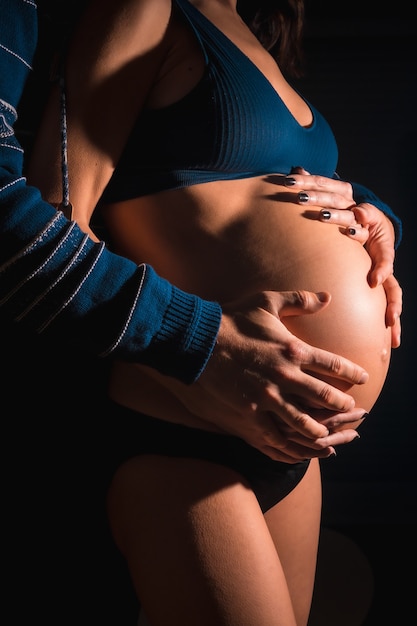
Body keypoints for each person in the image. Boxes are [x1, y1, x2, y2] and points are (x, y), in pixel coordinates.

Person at [26, 0, 404, 625]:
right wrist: (186, 351)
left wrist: (371, 212)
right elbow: (54, 218)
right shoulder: (145, 7)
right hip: (180, 423)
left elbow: (262, 185)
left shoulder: (247, 30)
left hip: (287, 438)